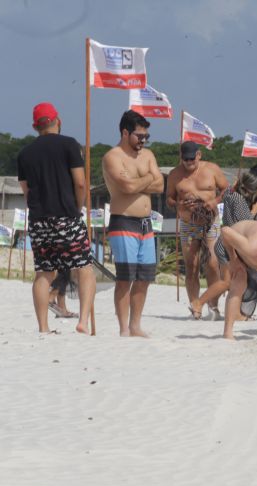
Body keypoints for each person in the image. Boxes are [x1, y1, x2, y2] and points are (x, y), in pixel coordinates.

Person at [17, 102, 96, 334]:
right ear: (57, 120)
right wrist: (77, 207)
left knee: (43, 272)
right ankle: (82, 319)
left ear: (35, 126)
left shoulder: (25, 154)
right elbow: (80, 182)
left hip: (40, 219)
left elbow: (26, 190)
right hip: (67, 215)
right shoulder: (69, 145)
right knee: (84, 267)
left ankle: (43, 326)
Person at [102, 110, 163, 337]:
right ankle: (123, 328)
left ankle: (136, 325)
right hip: (123, 220)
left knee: (144, 277)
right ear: (125, 132)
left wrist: (138, 181)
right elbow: (126, 188)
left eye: (146, 136)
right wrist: (149, 178)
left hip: (146, 223)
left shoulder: (148, 156)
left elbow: (160, 186)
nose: (143, 141)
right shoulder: (113, 157)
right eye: (139, 136)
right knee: (125, 276)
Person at [190, 165, 257, 320]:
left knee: (234, 281)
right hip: (228, 246)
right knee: (226, 282)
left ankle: (236, 314)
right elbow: (246, 223)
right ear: (253, 190)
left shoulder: (230, 193)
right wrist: (254, 211)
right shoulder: (240, 201)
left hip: (224, 242)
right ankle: (198, 303)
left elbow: (230, 189)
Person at [166, 141, 229, 319]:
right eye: (185, 159)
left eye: (192, 159)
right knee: (191, 265)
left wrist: (214, 201)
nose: (189, 163)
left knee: (212, 263)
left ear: (199, 155)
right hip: (188, 224)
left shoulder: (212, 169)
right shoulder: (174, 175)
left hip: (210, 221)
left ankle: (213, 306)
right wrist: (178, 203)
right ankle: (195, 307)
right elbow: (169, 199)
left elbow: (227, 189)